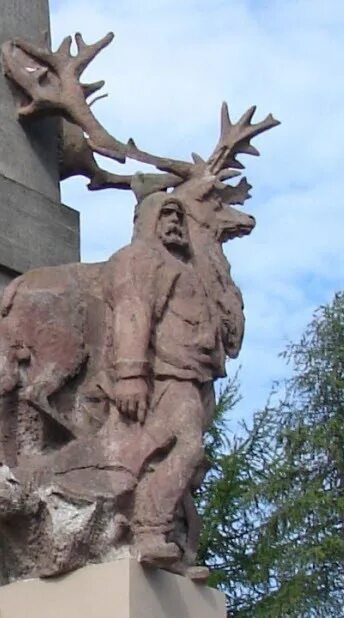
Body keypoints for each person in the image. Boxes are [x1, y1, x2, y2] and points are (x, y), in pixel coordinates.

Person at [105, 191, 225, 567]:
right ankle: (149, 529)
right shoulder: (141, 259)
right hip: (165, 375)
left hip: (193, 375)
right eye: (166, 216)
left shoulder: (182, 267)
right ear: (146, 221)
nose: (174, 223)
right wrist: (131, 373)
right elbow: (132, 312)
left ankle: (175, 540)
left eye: (179, 217)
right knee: (189, 448)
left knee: (168, 454)